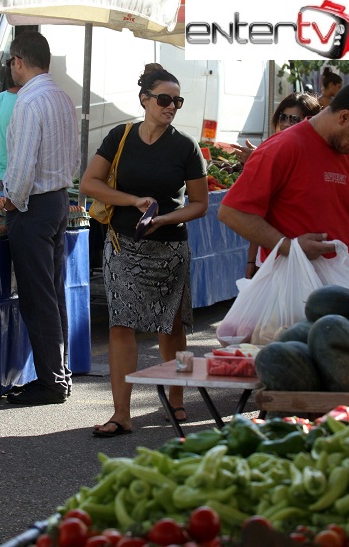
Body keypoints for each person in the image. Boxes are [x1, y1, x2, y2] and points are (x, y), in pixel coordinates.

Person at [80, 63, 208, 437]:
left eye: (177, 101)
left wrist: (167, 219)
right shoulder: (120, 136)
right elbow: (90, 183)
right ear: (145, 100)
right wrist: (133, 200)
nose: (171, 107)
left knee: (173, 329)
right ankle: (122, 413)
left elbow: (199, 203)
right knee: (121, 325)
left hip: (169, 248)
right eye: (164, 99)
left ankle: (178, 397)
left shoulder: (185, 146)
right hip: (122, 243)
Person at [3, 30, 80, 406]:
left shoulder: (29, 102)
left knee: (38, 298)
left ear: (18, 61)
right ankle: (58, 374)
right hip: (58, 200)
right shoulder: (63, 98)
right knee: (54, 293)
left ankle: (52, 381)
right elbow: (74, 158)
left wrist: (11, 202)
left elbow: (21, 165)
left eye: (10, 63)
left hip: (34, 206)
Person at [218, 80, 349, 277]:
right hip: (288, 285)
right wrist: (289, 246)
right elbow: (232, 212)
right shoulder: (283, 147)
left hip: (340, 282)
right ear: (344, 117)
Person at [230, 92, 322, 278]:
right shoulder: (271, 150)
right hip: (271, 256)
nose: (287, 123)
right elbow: (258, 215)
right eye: (283, 117)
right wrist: (251, 260)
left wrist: (259, 159)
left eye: (294, 119)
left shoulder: (318, 158)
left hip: (309, 256)